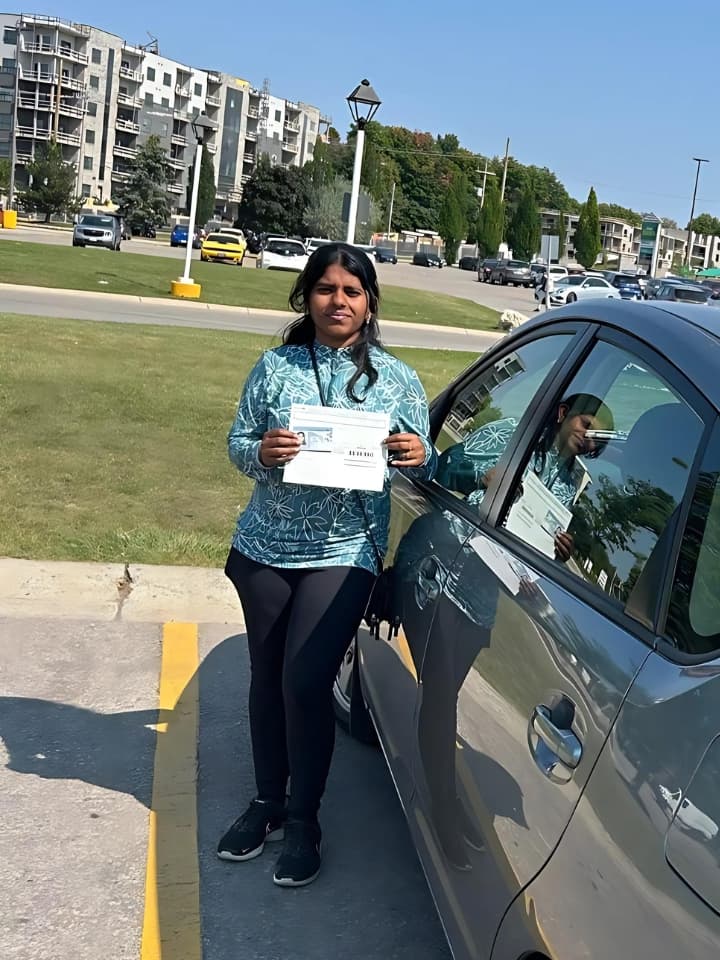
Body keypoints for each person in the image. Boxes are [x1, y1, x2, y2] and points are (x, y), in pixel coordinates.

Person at [218, 242, 437, 887]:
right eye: (325, 289)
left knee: (307, 681)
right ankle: (267, 802)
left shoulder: (396, 379)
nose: (337, 301)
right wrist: (262, 449)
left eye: (351, 291)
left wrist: (414, 450)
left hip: (343, 551)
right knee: (267, 677)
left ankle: (304, 818)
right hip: (265, 548)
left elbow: (420, 460)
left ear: (369, 304)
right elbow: (237, 445)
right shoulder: (276, 366)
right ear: (305, 297)